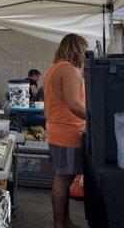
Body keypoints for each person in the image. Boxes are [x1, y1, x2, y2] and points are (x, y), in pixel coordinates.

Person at [44, 34, 88, 228]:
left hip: (58, 130)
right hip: (68, 132)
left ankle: (65, 221)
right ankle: (59, 224)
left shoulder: (54, 69)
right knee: (63, 180)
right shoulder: (68, 70)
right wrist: (97, 118)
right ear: (79, 49)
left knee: (65, 179)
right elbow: (73, 105)